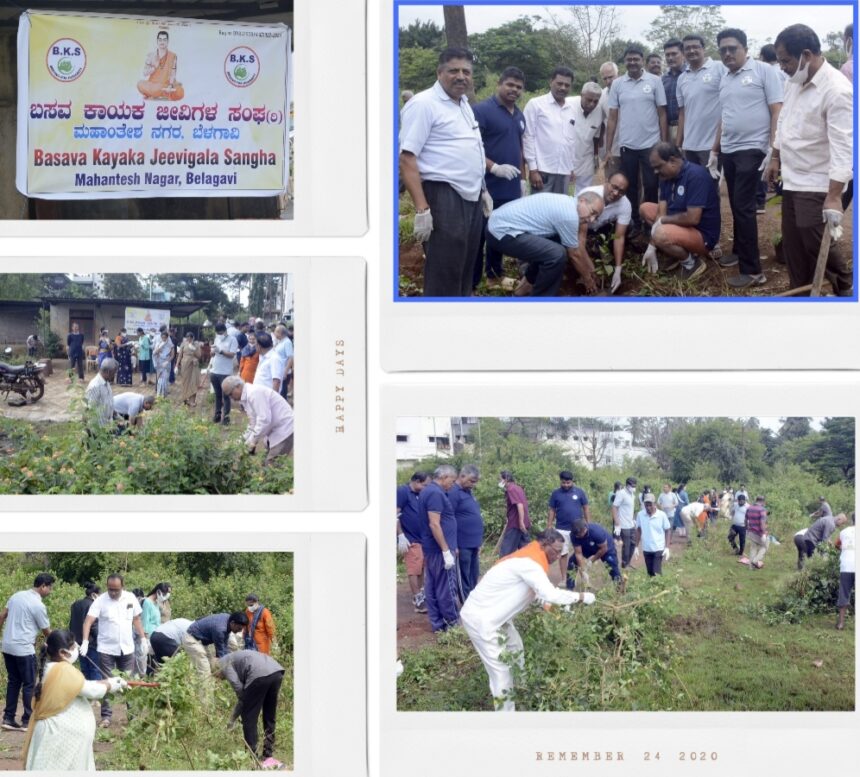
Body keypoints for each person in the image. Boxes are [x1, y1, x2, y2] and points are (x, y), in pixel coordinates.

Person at [460, 530, 595, 711]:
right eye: (555, 551)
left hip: (496, 617)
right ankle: (507, 715)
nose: (557, 556)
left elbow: (538, 594)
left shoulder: (531, 559)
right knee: (501, 673)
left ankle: (522, 689)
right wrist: (581, 597)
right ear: (543, 544)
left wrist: (556, 607)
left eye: (560, 552)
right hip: (482, 620)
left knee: (515, 646)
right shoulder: (529, 563)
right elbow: (549, 593)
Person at [766, 24, 853, 297]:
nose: (782, 67)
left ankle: (846, 286)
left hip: (817, 182)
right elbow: (785, 123)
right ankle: (800, 294)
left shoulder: (837, 90)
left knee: (814, 238)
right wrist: (775, 157)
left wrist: (834, 196)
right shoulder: (794, 81)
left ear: (806, 54)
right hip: (792, 177)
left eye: (785, 60)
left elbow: (844, 147)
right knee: (792, 243)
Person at [399, 47, 489, 297]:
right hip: (443, 196)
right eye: (454, 70)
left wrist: (483, 190)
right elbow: (407, 159)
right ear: (439, 73)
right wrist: (422, 209)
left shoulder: (463, 104)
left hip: (470, 198)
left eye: (466, 71)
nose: (461, 76)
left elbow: (471, 148)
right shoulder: (424, 104)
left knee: (465, 267)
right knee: (444, 269)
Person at [712, 27, 783, 288]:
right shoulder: (725, 79)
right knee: (736, 203)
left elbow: (777, 111)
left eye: (733, 48)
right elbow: (724, 116)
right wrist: (714, 149)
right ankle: (740, 252)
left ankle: (754, 271)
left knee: (743, 207)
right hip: (729, 150)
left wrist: (774, 151)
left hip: (752, 149)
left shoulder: (765, 72)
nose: (728, 53)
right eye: (723, 50)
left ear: (745, 49)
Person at [21, 629, 126, 771]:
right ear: (63, 653)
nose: (76, 650)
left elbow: (82, 686)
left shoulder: (51, 668)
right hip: (59, 735)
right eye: (73, 648)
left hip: (53, 733)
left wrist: (107, 682)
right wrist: (111, 684)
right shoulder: (64, 670)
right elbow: (91, 691)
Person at [486, 191, 604, 296]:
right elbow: (574, 254)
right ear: (582, 201)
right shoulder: (570, 216)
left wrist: (592, 272)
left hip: (498, 224)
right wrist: (588, 279)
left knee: (557, 241)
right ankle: (541, 300)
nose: (591, 220)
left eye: (596, 217)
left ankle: (527, 284)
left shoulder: (568, 203)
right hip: (501, 233)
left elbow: (577, 248)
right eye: (592, 212)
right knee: (557, 255)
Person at [472, 67, 527, 286]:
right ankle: (472, 283)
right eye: (510, 85)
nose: (514, 90)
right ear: (499, 84)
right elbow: (471, 148)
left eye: (519, 87)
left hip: (511, 187)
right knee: (480, 237)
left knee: (499, 231)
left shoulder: (519, 114)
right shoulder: (482, 111)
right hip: (487, 186)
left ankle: (494, 276)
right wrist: (494, 167)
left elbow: (520, 148)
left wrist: (521, 178)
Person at [604, 47, 668, 235]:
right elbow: (613, 117)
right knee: (629, 186)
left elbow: (662, 114)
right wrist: (608, 149)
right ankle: (634, 222)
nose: (632, 62)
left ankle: (651, 224)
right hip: (627, 145)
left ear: (642, 60)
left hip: (651, 145)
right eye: (629, 59)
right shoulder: (618, 84)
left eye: (636, 59)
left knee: (651, 185)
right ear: (625, 62)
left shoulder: (655, 81)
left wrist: (664, 143)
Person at [640, 142, 722, 281]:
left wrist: (662, 223)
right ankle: (677, 251)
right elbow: (661, 211)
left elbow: (693, 218)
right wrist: (652, 246)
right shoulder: (665, 177)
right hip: (683, 225)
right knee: (645, 209)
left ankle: (691, 263)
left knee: (660, 232)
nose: (655, 172)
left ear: (672, 160)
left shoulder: (696, 176)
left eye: (658, 166)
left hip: (702, 234)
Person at [81, 574, 147, 728]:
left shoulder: (130, 598)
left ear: (122, 587)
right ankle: (106, 717)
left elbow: (136, 619)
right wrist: (85, 641)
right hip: (106, 648)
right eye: (110, 589)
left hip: (127, 648)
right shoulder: (101, 600)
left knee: (128, 682)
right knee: (108, 682)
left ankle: (133, 716)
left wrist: (143, 639)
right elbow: (88, 621)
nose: (113, 593)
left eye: (116, 590)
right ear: (107, 586)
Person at [0, 573, 54, 732]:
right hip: (24, 649)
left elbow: (2, 616)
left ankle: (8, 718)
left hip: (7, 646)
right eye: (50, 588)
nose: (50, 591)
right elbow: (46, 631)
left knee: (13, 681)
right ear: (43, 586)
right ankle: (27, 720)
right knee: (29, 683)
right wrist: (58, 640)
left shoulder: (16, 596)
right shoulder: (38, 605)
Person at [215, 650, 286, 768]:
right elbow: (245, 695)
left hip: (259, 675)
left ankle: (252, 757)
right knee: (269, 716)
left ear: (215, 669)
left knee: (249, 718)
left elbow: (240, 692)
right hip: (276, 671)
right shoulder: (235, 658)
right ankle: (268, 755)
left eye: (217, 677)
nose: (220, 679)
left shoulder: (223, 663)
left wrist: (232, 719)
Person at [416, 465, 461, 633]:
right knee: (446, 588)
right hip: (439, 550)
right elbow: (434, 523)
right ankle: (452, 624)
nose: (453, 484)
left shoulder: (428, 491)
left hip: (432, 548)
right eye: (452, 480)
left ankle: (438, 624)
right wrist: (446, 550)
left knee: (433, 586)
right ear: (444, 476)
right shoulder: (435, 493)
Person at [522, 66, 577, 195]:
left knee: (558, 210)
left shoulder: (572, 109)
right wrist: (533, 169)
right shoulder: (536, 104)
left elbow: (571, 141)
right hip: (542, 171)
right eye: (559, 83)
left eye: (567, 85)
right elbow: (528, 136)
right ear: (551, 81)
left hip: (563, 171)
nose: (563, 87)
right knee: (539, 210)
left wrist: (571, 167)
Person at [222, 376, 294, 466]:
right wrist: (239, 442)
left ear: (238, 387)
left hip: (284, 429)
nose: (231, 398)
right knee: (265, 465)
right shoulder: (246, 398)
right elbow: (253, 424)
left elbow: (264, 420)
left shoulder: (254, 393)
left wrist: (252, 441)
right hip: (274, 430)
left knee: (271, 466)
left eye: (231, 394)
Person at [677, 34, 725, 167]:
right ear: (683, 52)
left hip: (712, 145)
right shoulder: (682, 78)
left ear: (704, 49)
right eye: (687, 48)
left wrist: (717, 144)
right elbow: (682, 113)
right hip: (689, 145)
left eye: (696, 47)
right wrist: (679, 145)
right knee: (694, 185)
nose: (692, 51)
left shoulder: (720, 68)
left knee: (711, 185)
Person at [580, 173, 632, 294]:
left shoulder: (625, 204)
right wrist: (589, 271)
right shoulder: (588, 195)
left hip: (602, 229)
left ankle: (607, 256)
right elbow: (580, 238)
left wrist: (618, 269)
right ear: (606, 182)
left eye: (621, 191)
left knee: (631, 225)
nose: (615, 193)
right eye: (613, 187)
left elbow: (619, 237)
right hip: (583, 229)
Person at [546, 470, 591, 586]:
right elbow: (552, 510)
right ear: (560, 481)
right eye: (563, 483)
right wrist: (549, 525)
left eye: (568, 483)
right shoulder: (556, 493)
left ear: (572, 481)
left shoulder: (580, 492)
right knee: (563, 554)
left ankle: (584, 578)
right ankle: (564, 579)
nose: (566, 485)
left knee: (579, 553)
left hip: (578, 530)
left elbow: (586, 508)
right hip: (561, 529)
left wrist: (588, 523)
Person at [448, 465, 484, 601]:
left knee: (473, 574)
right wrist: (454, 544)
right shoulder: (453, 492)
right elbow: (449, 518)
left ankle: (473, 599)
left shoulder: (468, 492)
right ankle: (466, 603)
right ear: (462, 476)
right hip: (462, 543)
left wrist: (479, 542)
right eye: (471, 481)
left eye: (475, 482)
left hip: (474, 543)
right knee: (463, 574)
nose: (473, 485)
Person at [397, 471, 431, 614]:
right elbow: (395, 514)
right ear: (416, 481)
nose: (426, 488)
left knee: (422, 567)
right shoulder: (403, 492)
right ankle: (417, 598)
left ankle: (420, 593)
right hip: (411, 539)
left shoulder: (419, 494)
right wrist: (400, 535)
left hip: (422, 538)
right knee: (414, 569)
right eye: (424, 485)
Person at [182, 612, 249, 679]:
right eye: (239, 628)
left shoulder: (229, 619)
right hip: (192, 639)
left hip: (201, 640)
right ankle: (206, 688)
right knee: (204, 668)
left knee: (211, 664)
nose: (240, 631)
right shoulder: (220, 629)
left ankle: (213, 681)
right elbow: (221, 653)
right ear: (233, 623)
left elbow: (224, 645)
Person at [569, 83, 604, 191]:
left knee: (583, 191)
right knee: (561, 191)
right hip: (566, 155)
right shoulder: (568, 104)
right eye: (589, 100)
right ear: (581, 95)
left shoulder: (600, 111)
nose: (592, 104)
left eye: (596, 101)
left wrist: (596, 157)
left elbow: (596, 138)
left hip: (586, 157)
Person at [570, 519, 621, 587]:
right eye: (577, 535)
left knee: (612, 566)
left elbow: (603, 548)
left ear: (585, 528)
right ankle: (569, 587)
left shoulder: (596, 532)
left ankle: (619, 588)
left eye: (580, 534)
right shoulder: (574, 535)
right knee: (572, 562)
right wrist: (583, 571)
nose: (578, 536)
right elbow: (578, 553)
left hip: (606, 547)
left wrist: (591, 560)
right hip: (587, 546)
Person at [137, 29, 184, 100]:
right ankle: (160, 94)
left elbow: (173, 73)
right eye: (160, 40)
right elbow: (144, 73)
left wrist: (170, 85)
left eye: (164, 40)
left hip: (166, 85)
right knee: (140, 84)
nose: (162, 42)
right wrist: (154, 68)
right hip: (153, 85)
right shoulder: (151, 55)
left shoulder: (173, 56)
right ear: (157, 41)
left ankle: (156, 94)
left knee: (180, 91)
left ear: (167, 42)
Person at [69, 582, 101, 682]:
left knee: (84, 670)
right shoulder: (93, 605)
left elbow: (72, 622)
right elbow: (94, 625)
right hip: (91, 642)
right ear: (94, 594)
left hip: (78, 642)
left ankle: (86, 693)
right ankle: (95, 695)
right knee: (95, 669)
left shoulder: (76, 604)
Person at [634, 494, 672, 576]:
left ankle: (660, 587)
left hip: (658, 547)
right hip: (646, 548)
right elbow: (638, 530)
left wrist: (667, 547)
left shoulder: (661, 515)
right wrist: (636, 546)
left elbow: (667, 530)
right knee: (650, 572)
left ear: (654, 504)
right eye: (646, 505)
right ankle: (653, 588)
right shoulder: (640, 515)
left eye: (650, 505)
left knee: (656, 572)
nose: (648, 507)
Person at [209, 322, 238, 425]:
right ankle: (217, 415)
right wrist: (212, 351)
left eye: (221, 332)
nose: (219, 334)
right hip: (215, 370)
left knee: (225, 395)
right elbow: (212, 354)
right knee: (217, 395)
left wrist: (220, 351)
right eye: (218, 333)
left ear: (225, 331)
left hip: (225, 372)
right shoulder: (217, 338)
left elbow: (231, 355)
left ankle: (226, 418)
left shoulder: (232, 340)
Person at [499, 470, 531, 556]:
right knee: (526, 552)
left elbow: (519, 505)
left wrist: (520, 522)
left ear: (505, 479)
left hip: (516, 525)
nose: (499, 481)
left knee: (506, 552)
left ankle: (504, 569)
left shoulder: (511, 489)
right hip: (525, 523)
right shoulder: (518, 488)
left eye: (500, 479)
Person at [597, 61, 621, 176]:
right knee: (612, 182)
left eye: (611, 77)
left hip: (633, 147)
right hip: (612, 148)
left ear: (618, 74)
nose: (608, 81)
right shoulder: (601, 95)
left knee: (635, 185)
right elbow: (599, 122)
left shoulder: (629, 91)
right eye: (604, 78)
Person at [662, 39, 685, 144]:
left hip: (687, 128)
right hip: (668, 128)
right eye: (667, 55)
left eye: (674, 54)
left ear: (683, 54)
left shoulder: (689, 75)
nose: (670, 58)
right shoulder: (663, 79)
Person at [84, 358, 118, 430]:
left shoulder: (106, 383)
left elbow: (108, 404)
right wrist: (87, 432)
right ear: (108, 372)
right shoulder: (95, 386)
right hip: (97, 431)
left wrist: (119, 418)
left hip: (107, 428)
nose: (114, 376)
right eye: (114, 373)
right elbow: (87, 409)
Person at [612, 476, 638, 567]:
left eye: (635, 486)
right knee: (626, 546)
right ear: (627, 485)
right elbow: (614, 507)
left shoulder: (632, 495)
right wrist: (617, 523)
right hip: (623, 524)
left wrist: (634, 519)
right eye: (632, 486)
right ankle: (624, 564)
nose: (633, 487)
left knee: (633, 544)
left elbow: (631, 509)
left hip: (631, 524)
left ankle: (628, 562)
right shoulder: (621, 493)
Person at [835, 513, 855, 630]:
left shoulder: (844, 532)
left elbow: (837, 545)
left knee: (844, 593)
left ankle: (841, 623)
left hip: (846, 566)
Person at [175, 332, 202, 408]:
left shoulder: (196, 344)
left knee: (193, 382)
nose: (189, 340)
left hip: (194, 365)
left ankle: (192, 401)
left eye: (190, 338)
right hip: (185, 365)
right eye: (187, 338)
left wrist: (193, 349)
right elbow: (180, 355)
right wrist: (177, 365)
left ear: (193, 338)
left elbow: (199, 355)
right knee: (185, 382)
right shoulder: (183, 344)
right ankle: (185, 398)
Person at [744, 496, 770, 569]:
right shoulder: (762, 510)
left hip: (751, 532)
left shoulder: (749, 508)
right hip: (759, 533)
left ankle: (750, 567)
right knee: (765, 546)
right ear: (762, 501)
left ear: (756, 500)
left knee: (753, 548)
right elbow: (762, 523)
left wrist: (747, 529)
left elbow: (745, 520)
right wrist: (764, 533)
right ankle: (755, 561)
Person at [273, 325, 294, 401]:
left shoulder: (287, 342)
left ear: (280, 333)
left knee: (282, 394)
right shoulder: (280, 341)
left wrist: (285, 371)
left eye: (275, 331)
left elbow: (290, 358)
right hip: (278, 370)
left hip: (284, 371)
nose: (274, 333)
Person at [151, 330, 174, 399]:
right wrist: (158, 349)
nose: (164, 339)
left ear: (167, 337)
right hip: (160, 363)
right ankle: (159, 395)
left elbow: (172, 355)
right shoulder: (159, 344)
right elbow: (154, 353)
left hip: (166, 363)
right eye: (162, 337)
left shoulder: (170, 345)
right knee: (160, 380)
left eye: (165, 337)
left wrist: (167, 361)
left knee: (165, 379)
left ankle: (164, 395)